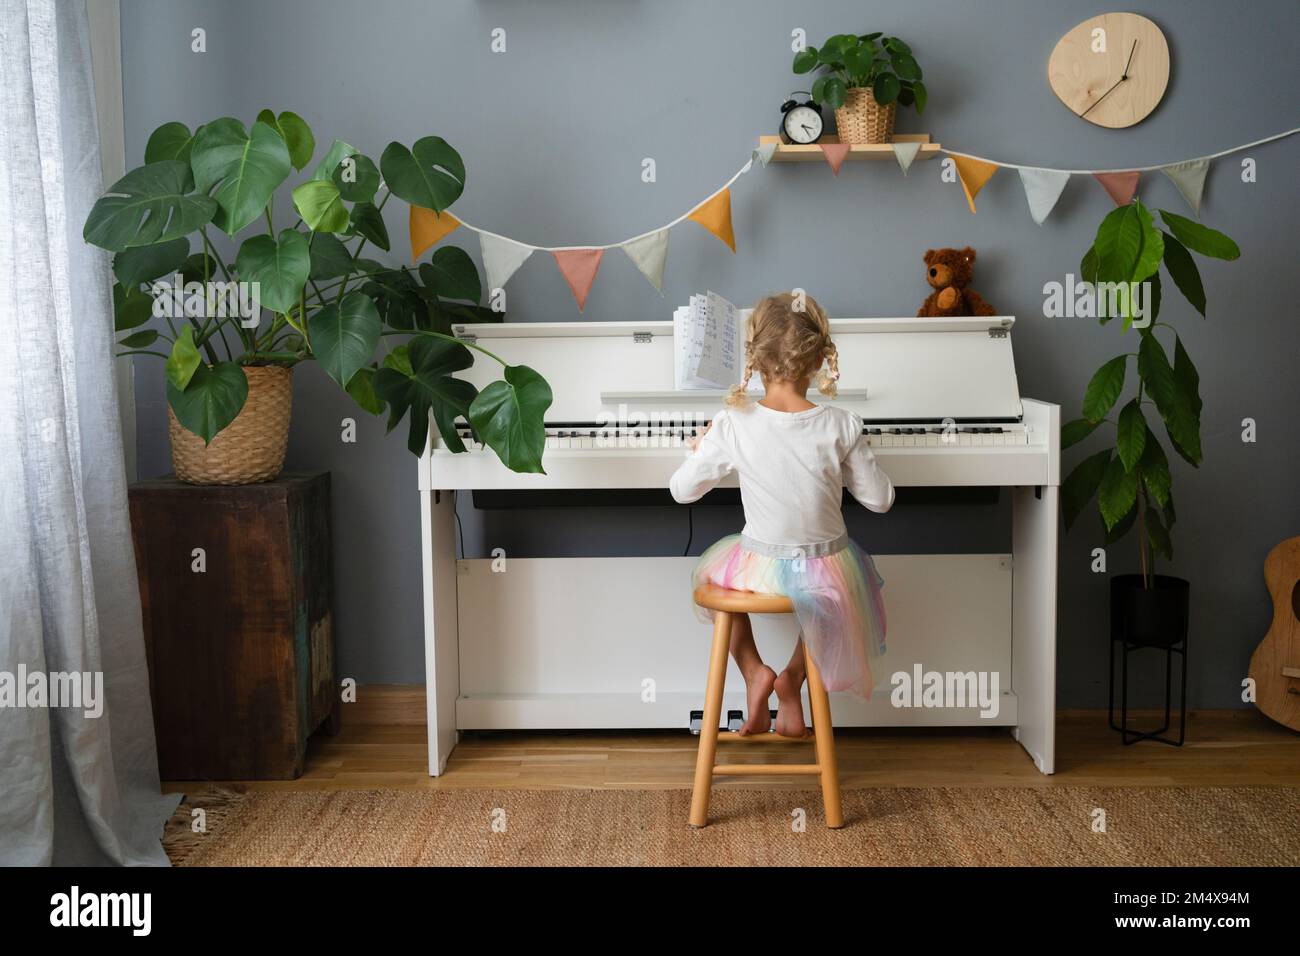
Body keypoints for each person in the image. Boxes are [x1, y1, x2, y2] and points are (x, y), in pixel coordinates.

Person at [669, 292, 894, 736]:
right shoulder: (843, 424)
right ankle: (794, 678)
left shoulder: (734, 423)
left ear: (755, 360)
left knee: (710, 581)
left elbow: (682, 492)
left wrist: (701, 447)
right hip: (827, 565)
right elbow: (880, 500)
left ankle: (756, 671)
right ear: (816, 361)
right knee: (834, 596)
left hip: (759, 563)